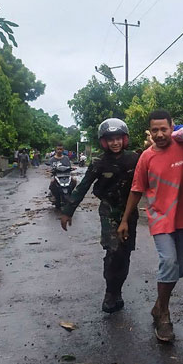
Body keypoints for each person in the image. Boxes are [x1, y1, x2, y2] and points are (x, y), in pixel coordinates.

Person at [117, 110, 183, 343]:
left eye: (164, 129)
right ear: (149, 131)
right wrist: (124, 220)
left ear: (172, 127)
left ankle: (157, 305)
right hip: (160, 218)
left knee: (178, 269)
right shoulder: (146, 157)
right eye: (155, 130)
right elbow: (136, 190)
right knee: (169, 262)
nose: (160, 134)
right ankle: (164, 315)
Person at [59, 119, 139, 313]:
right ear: (104, 142)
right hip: (108, 210)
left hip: (129, 211)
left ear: (124, 139)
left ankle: (117, 289)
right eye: (110, 139)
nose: (115, 143)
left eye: (118, 138)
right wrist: (68, 211)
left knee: (124, 253)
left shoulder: (135, 159)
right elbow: (83, 186)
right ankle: (110, 292)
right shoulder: (99, 163)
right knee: (113, 251)